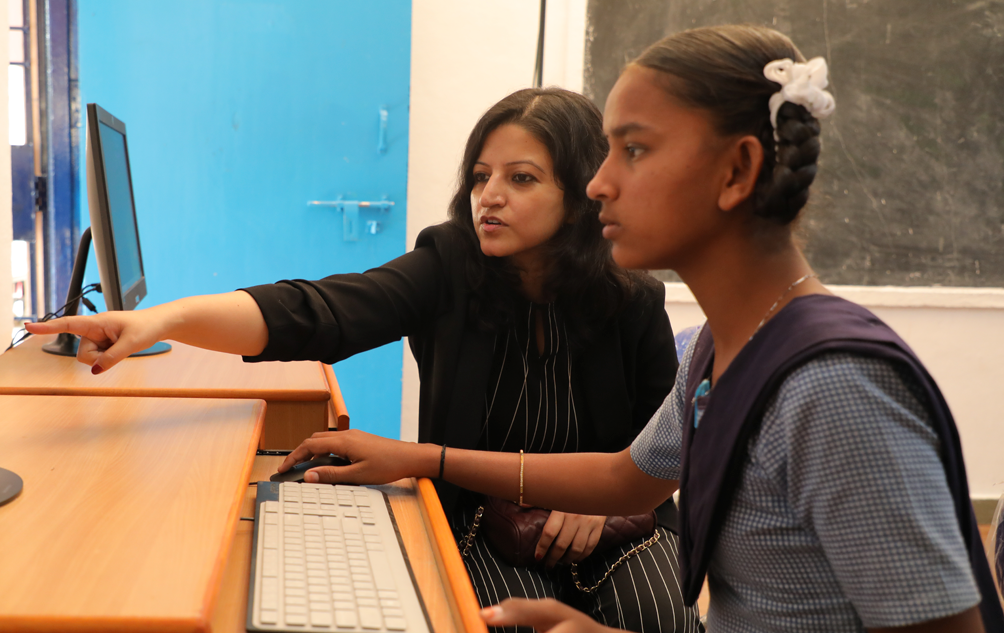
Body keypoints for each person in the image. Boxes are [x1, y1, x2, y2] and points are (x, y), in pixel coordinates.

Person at [279, 25, 1004, 633]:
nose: (597, 183)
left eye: (633, 149)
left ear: (736, 171)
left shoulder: (833, 388)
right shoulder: (714, 351)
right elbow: (624, 475)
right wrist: (417, 457)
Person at [27, 88, 702, 632]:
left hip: (613, 524)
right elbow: (319, 310)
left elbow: (670, 449)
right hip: (486, 523)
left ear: (582, 193)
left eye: (520, 178)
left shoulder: (633, 298)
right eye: (480, 176)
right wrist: (162, 319)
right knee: (501, 621)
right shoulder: (450, 265)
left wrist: (613, 498)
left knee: (658, 616)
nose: (488, 195)